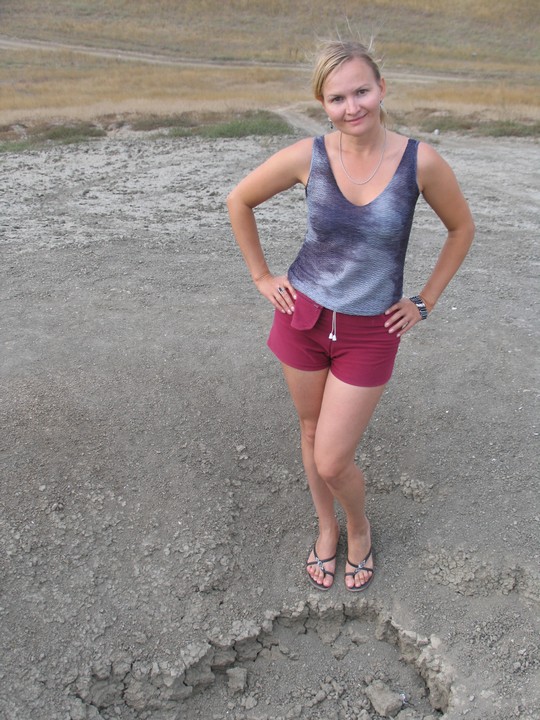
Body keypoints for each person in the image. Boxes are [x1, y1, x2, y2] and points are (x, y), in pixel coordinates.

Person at [227, 39, 474, 592]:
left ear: (382, 88)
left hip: (371, 329)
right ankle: (326, 527)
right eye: (337, 98)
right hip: (303, 317)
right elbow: (238, 200)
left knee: (333, 459)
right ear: (323, 103)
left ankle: (358, 527)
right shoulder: (308, 156)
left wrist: (424, 300)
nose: (352, 106)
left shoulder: (420, 162)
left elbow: (462, 229)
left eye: (361, 91)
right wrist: (262, 276)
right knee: (310, 430)